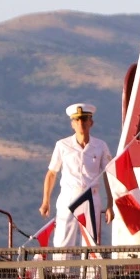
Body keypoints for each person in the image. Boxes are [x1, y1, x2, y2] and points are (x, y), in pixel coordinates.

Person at [41, 103, 112, 247]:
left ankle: (92, 270)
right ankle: (60, 270)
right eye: (77, 120)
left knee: (91, 242)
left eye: (84, 119)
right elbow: (51, 173)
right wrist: (46, 201)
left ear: (91, 122)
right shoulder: (62, 145)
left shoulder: (100, 146)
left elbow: (108, 175)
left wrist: (110, 204)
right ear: (72, 124)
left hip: (91, 195)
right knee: (63, 240)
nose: (81, 123)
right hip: (69, 196)